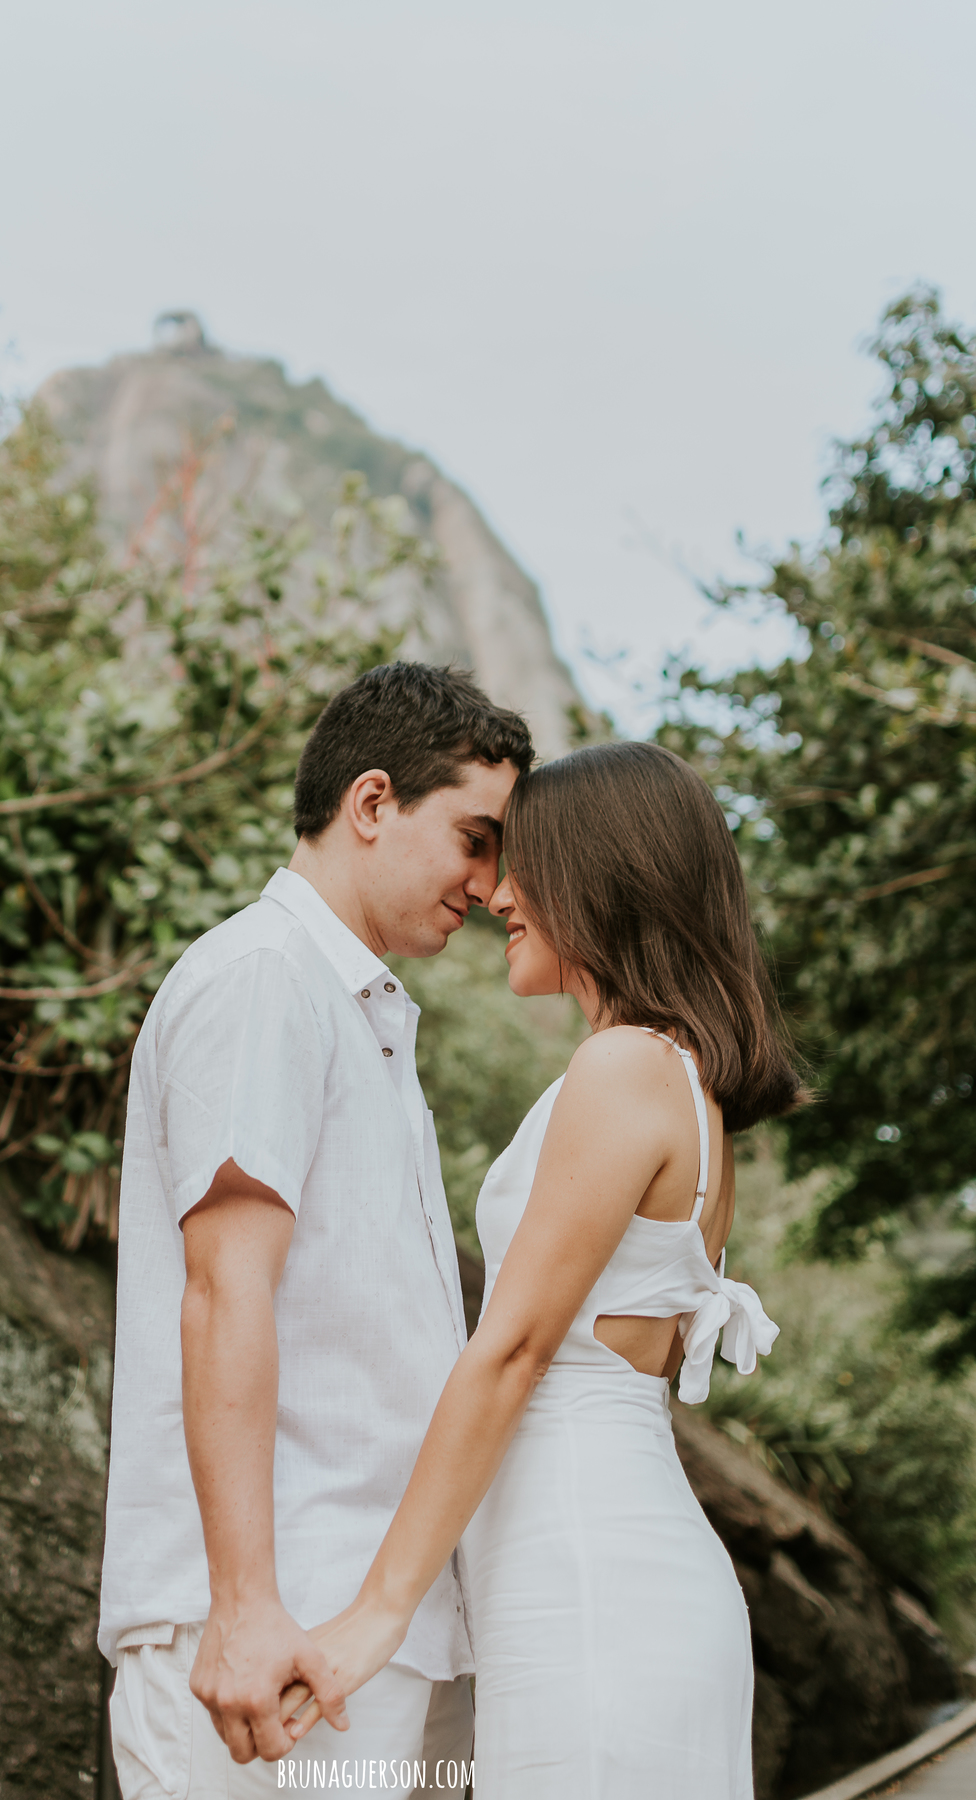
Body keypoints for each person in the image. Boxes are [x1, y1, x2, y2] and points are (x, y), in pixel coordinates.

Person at [287, 741, 800, 1798]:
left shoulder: (621, 1069)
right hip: (613, 1570)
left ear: (604, 874)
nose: (500, 893)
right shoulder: (680, 1082)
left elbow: (512, 1349)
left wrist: (373, 1617)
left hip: (589, 1584)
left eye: (528, 864)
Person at [99, 661, 534, 1799]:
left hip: (351, 1631)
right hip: (266, 1637)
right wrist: (244, 1608)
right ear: (374, 803)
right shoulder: (263, 980)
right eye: (474, 839)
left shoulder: (355, 1011)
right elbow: (223, 1291)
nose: (490, 886)